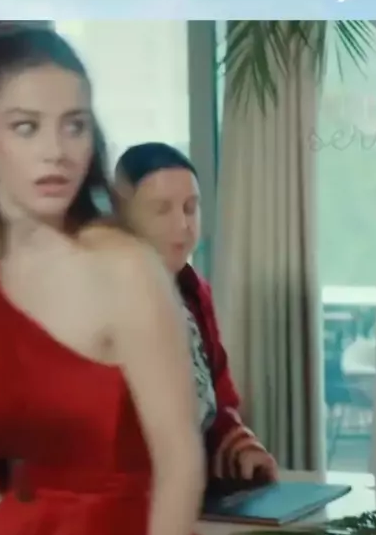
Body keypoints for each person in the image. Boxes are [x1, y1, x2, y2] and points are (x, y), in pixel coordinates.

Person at [0, 25, 220, 535]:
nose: (56, 151)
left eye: (75, 126)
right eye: (26, 127)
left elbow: (180, 462)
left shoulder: (124, 268)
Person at [114, 143, 278, 484]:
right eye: (161, 209)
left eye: (191, 208)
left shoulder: (194, 292)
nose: (183, 224)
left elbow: (219, 396)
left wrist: (241, 451)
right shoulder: (101, 302)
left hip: (199, 492)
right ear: (122, 217)